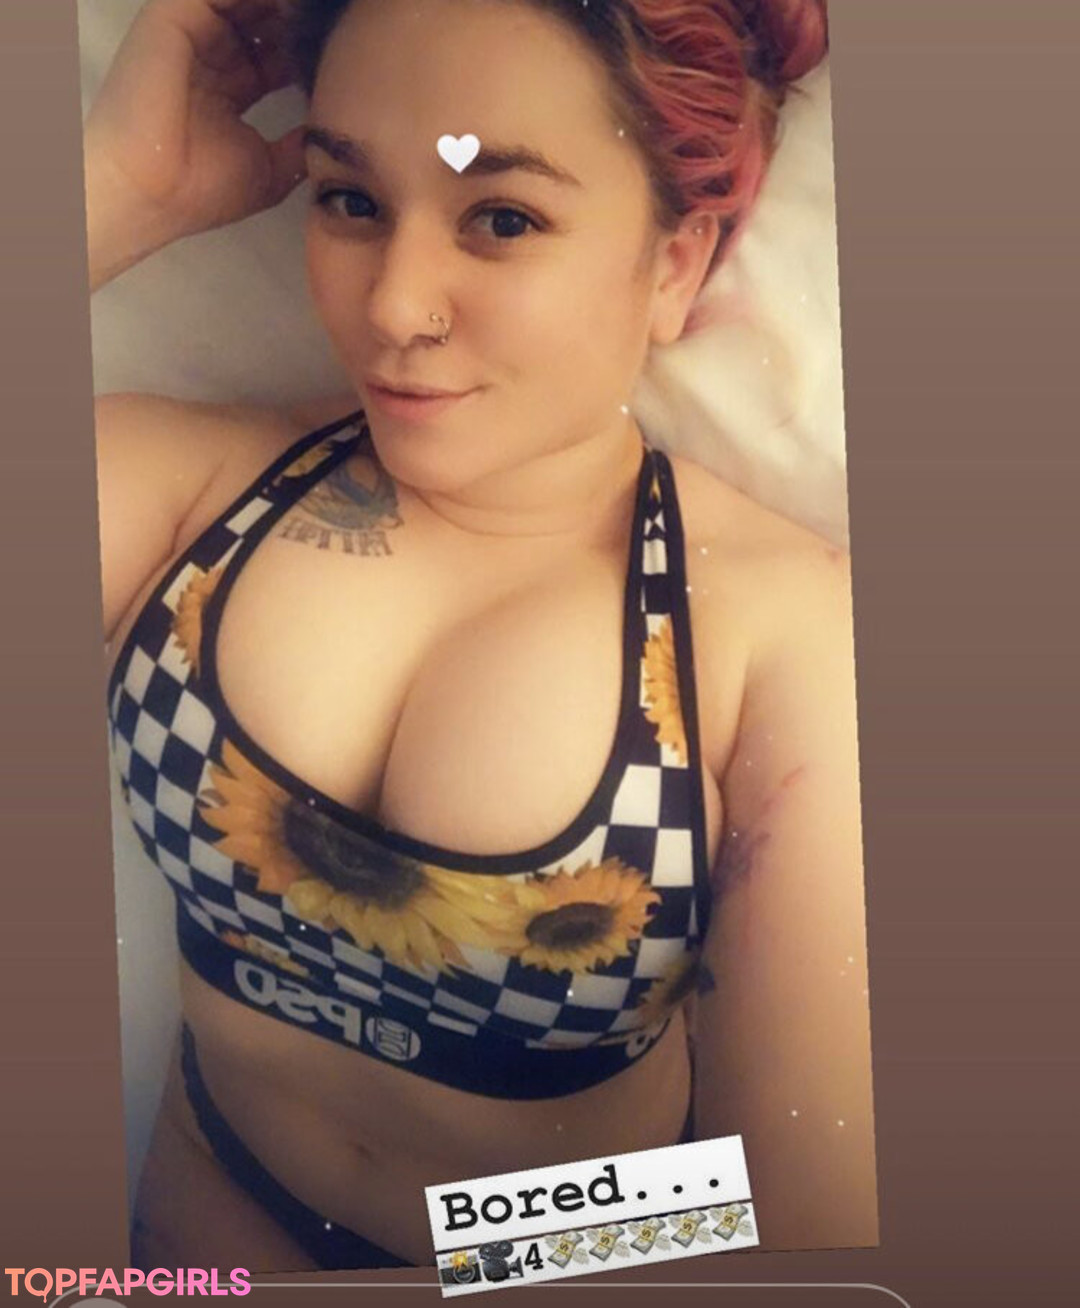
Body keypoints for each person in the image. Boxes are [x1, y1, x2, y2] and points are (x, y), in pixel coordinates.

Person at [85, 0, 876, 1271]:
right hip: (199, 1219)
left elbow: (814, 1224)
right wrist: (114, 191)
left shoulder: (772, 636)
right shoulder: (190, 495)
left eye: (502, 218)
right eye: (350, 199)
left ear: (674, 265)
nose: (395, 305)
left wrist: (474, 1256)